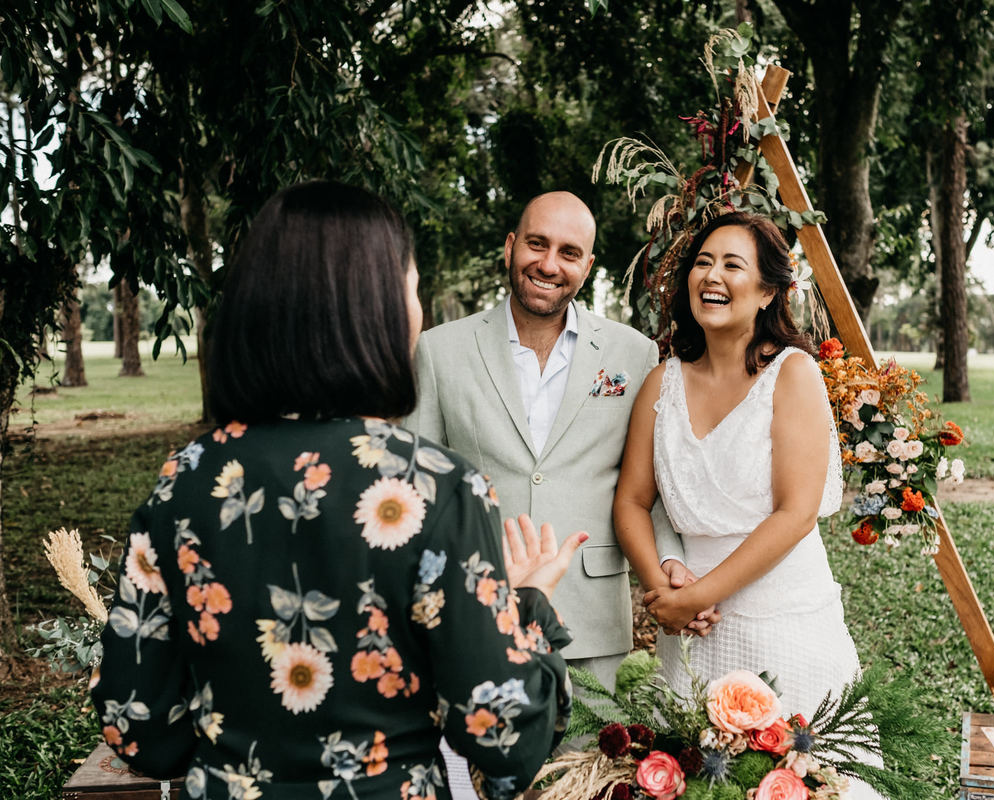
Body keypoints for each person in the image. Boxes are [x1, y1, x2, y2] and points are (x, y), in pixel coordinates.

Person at [90, 181, 584, 800]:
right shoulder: (436, 487)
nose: (419, 310)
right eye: (411, 289)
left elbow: (136, 726)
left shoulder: (184, 479)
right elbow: (508, 742)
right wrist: (529, 605)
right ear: (374, 310)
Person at [408, 191, 715, 799]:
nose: (550, 263)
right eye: (538, 244)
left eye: (569, 252)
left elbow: (644, 485)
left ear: (588, 265)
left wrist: (670, 558)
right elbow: (418, 487)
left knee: (583, 783)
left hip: (590, 614)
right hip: (475, 611)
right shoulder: (440, 350)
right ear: (511, 247)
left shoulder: (632, 353)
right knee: (475, 780)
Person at [613, 211, 884, 799]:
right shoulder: (662, 384)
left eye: (733, 265)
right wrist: (663, 581)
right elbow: (632, 502)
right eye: (703, 262)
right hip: (691, 633)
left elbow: (796, 513)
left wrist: (697, 596)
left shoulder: (793, 375)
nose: (712, 275)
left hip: (783, 622)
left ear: (767, 292)